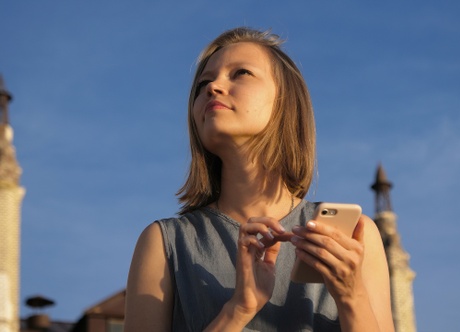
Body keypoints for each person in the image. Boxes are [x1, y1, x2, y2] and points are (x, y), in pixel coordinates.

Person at [124, 27, 394, 332]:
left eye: (240, 73)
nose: (213, 87)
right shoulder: (164, 243)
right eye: (203, 82)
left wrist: (351, 295)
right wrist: (238, 310)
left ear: (285, 101)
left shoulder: (355, 236)